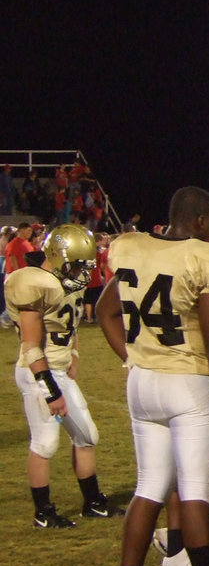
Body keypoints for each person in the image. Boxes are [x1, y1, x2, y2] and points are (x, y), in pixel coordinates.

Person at [98, 186, 209, 566]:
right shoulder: (203, 259)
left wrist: (132, 359)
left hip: (142, 383)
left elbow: (104, 311)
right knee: (196, 490)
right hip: (187, 382)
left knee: (148, 486)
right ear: (201, 221)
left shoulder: (133, 248)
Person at [7, 223, 121, 527]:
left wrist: (74, 353)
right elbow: (31, 346)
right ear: (58, 256)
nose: (83, 274)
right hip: (38, 371)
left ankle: (93, 502)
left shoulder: (64, 281)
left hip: (58, 368)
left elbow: (70, 328)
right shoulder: (35, 283)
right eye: (78, 265)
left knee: (86, 435)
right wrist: (51, 390)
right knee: (45, 442)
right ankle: (43, 513)